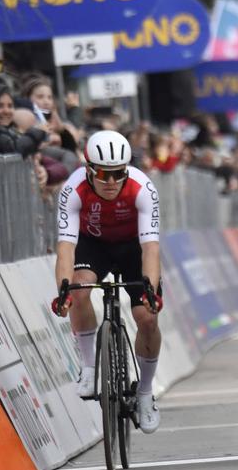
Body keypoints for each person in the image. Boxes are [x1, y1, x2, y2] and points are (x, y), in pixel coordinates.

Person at [50, 131, 164, 433]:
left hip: (132, 247)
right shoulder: (72, 189)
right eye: (103, 174)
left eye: (118, 174)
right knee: (79, 287)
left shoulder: (142, 188)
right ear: (88, 170)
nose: (111, 182)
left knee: (147, 318)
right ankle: (88, 368)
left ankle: (144, 393)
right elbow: (65, 247)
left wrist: (150, 291)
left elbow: (151, 248)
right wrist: (64, 291)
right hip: (93, 244)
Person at [0, 88, 49, 157]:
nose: (6, 111)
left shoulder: (8, 130)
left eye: (10, 106)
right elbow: (14, 150)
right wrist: (37, 132)